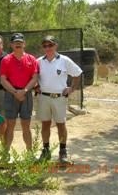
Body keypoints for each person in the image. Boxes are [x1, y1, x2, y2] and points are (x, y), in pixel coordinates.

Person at [36, 35, 82, 163]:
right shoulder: (39, 61)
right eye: (45, 46)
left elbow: (77, 73)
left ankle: (63, 152)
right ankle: (46, 151)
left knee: (61, 125)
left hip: (59, 98)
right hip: (43, 97)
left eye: (50, 45)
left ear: (56, 46)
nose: (48, 48)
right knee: (45, 124)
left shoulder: (64, 60)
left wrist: (71, 88)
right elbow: (33, 77)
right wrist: (35, 86)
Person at [0, 33, 39, 151]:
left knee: (26, 126)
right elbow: (3, 80)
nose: (18, 44)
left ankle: (29, 153)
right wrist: (15, 92)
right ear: (11, 45)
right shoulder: (6, 60)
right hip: (11, 94)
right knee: (10, 125)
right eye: (15, 42)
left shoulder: (32, 59)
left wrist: (24, 91)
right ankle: (5, 154)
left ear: (24, 44)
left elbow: (35, 78)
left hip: (26, 94)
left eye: (20, 42)